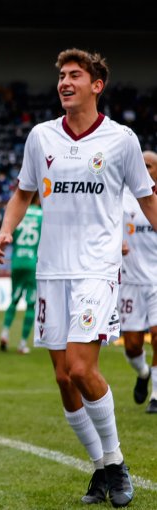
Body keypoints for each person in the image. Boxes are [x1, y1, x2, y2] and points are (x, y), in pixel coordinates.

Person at [0, 48, 156, 507]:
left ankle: (117, 462)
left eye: (74, 75)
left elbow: (146, 201)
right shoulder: (41, 138)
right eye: (61, 76)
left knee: (83, 368)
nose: (64, 82)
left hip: (97, 269)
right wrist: (6, 230)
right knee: (64, 380)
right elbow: (22, 194)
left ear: (96, 85)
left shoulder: (121, 140)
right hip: (51, 271)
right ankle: (101, 469)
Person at [119, 150, 157, 412]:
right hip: (130, 282)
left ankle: (156, 394)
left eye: (149, 165)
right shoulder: (122, 198)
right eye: (141, 165)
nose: (144, 169)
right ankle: (143, 373)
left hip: (156, 282)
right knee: (132, 345)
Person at [0, 193, 42, 354]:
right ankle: (22, 343)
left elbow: (11, 236)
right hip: (33, 262)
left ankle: (4, 333)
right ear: (39, 199)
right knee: (31, 304)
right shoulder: (42, 216)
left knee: (14, 300)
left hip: (17, 261)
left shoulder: (19, 214)